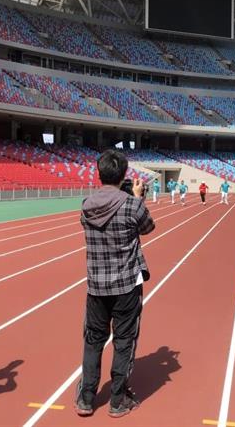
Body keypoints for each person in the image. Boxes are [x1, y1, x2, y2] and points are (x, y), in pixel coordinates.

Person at [76, 149, 155, 419]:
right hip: (126, 285)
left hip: (96, 285)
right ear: (123, 175)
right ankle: (117, 400)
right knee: (124, 341)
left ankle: (86, 398)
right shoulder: (132, 205)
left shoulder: (86, 205)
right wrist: (137, 198)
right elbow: (148, 227)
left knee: (93, 341)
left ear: (99, 174)